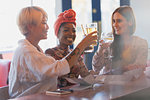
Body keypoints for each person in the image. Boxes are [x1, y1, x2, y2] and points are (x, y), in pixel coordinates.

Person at [8, 6, 97, 98]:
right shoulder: (26, 51)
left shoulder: (35, 49)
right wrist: (81, 45)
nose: (47, 27)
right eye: (44, 23)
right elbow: (58, 69)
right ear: (30, 27)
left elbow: (87, 78)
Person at [92, 6, 148, 75]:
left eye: (119, 21)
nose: (114, 25)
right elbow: (96, 68)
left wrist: (121, 69)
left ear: (130, 22)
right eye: (113, 21)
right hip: (109, 83)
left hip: (131, 83)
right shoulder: (109, 42)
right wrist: (100, 50)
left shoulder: (141, 43)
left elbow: (138, 70)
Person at [45, 9, 93, 87]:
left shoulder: (75, 53)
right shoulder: (50, 52)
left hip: (74, 95)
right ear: (57, 34)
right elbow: (56, 78)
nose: (71, 34)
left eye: (74, 31)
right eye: (66, 30)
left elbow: (87, 78)